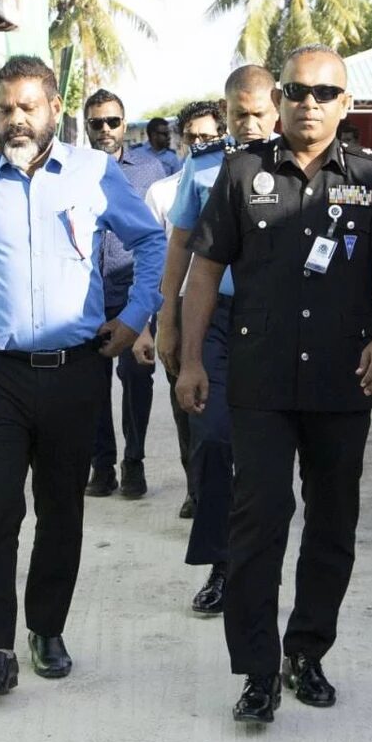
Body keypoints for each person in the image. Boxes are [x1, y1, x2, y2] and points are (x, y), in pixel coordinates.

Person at [0, 55, 166, 698]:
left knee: (61, 510)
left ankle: (46, 628)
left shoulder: (95, 173)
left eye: (27, 107)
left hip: (73, 372)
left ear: (55, 108)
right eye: (5, 109)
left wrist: (135, 316)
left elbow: (152, 243)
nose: (15, 120)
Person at [179, 45, 372, 724]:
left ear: (346, 103)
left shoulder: (371, 178)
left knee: (333, 523)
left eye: (324, 92)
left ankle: (306, 652)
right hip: (260, 381)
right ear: (279, 98)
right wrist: (191, 358)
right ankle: (257, 672)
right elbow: (204, 270)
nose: (309, 102)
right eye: (297, 90)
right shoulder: (240, 172)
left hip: (343, 379)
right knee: (258, 522)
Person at [157, 74, 278, 614]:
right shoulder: (206, 166)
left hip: (276, 322)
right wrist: (168, 320)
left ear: (276, 109)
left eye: (258, 114)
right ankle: (221, 564)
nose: (248, 125)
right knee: (211, 438)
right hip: (216, 318)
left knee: (263, 453)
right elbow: (181, 243)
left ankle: (258, 564)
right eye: (238, 115)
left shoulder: (300, 165)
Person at [83, 88, 174, 499]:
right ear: (86, 126)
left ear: (124, 123)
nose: (105, 129)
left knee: (137, 378)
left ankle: (133, 461)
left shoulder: (150, 170)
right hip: (88, 298)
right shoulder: (75, 170)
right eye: (96, 122)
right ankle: (101, 466)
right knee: (91, 385)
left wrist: (150, 307)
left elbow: (159, 238)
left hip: (134, 294)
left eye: (112, 121)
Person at [143, 102, 224, 519]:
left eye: (207, 136)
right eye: (191, 137)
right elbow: (155, 259)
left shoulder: (235, 174)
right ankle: (196, 489)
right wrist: (156, 323)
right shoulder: (162, 192)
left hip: (228, 306)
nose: (198, 143)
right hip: (178, 303)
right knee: (187, 404)